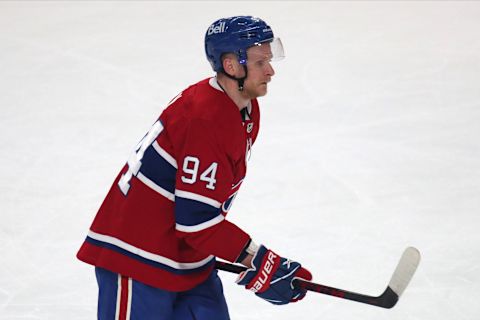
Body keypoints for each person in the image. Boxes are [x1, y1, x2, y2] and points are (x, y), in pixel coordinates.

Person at [77, 15, 312, 320]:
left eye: (270, 58)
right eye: (260, 62)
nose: (271, 70)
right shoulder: (205, 119)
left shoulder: (244, 108)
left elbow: (200, 212)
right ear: (231, 66)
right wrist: (260, 260)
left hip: (186, 255)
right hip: (136, 258)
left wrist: (257, 261)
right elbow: (197, 223)